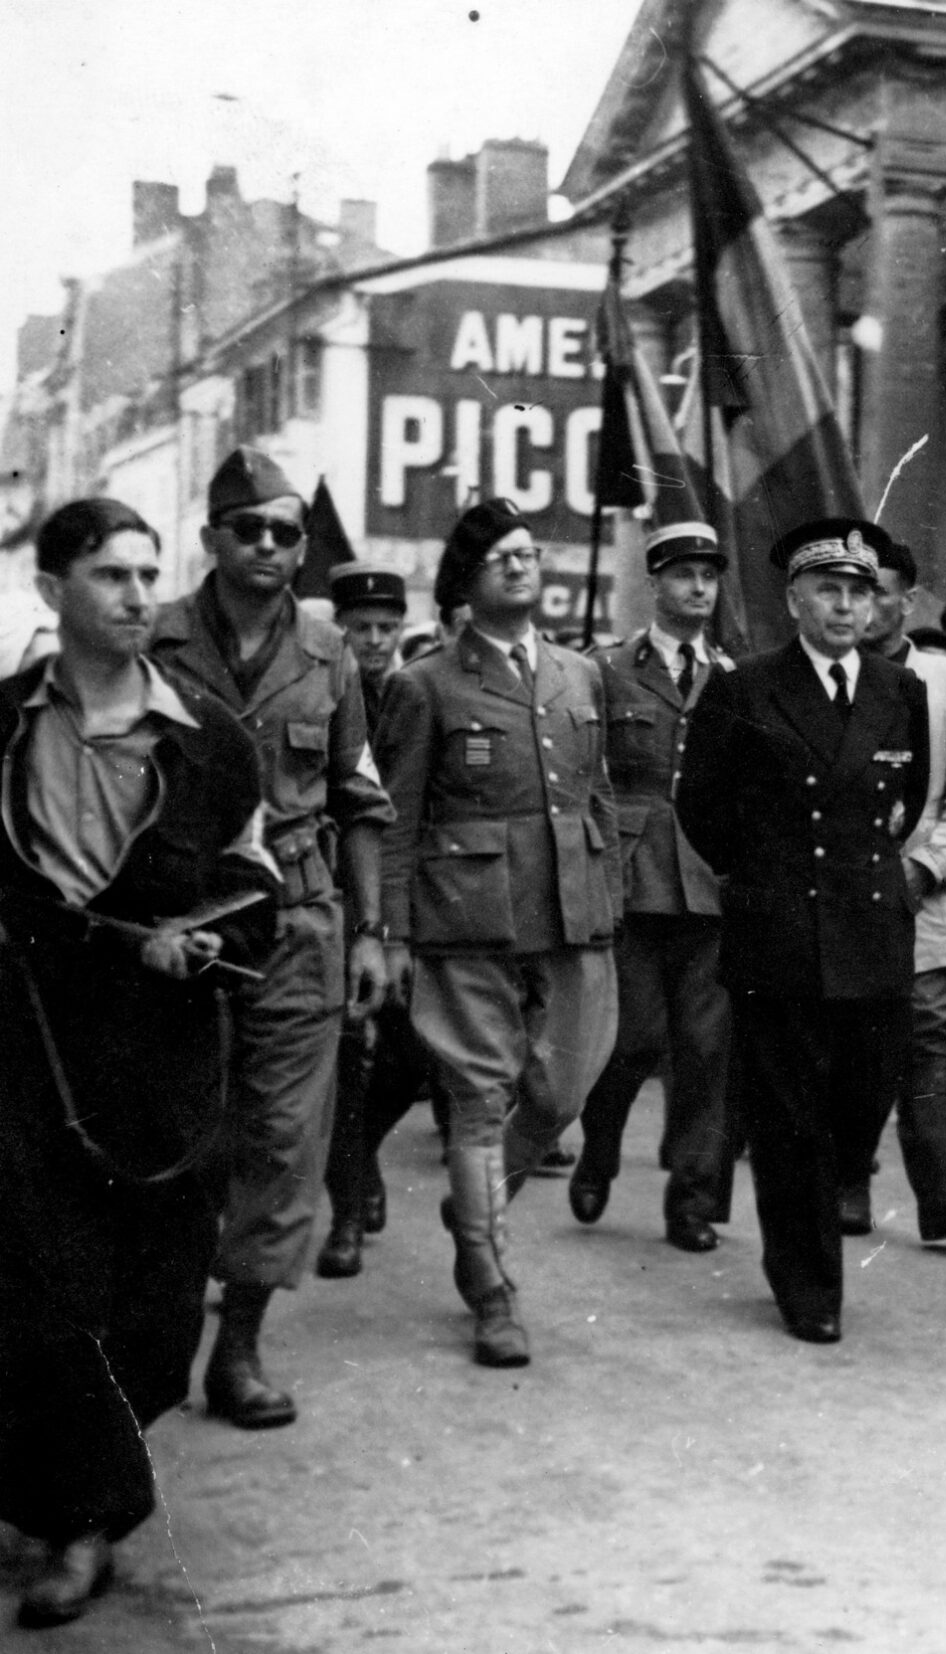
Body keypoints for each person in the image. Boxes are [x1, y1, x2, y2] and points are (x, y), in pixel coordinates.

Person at [0, 499, 281, 1629]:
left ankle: (81, 1477)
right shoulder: (6, 724)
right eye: (110, 574)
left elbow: (261, 885)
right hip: (28, 1041)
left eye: (147, 573)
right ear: (51, 586)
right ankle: (81, 1520)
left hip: (161, 1053)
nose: (134, 595)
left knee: (159, 1302)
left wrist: (208, 939)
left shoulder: (211, 738)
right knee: (38, 1280)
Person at [146, 447, 393, 1430]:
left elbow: (359, 795)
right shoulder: (153, 638)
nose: (266, 545)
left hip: (298, 917)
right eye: (246, 528)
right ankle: (157, 1340)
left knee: (285, 1140)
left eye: (284, 531)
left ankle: (239, 1347)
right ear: (210, 537)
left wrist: (372, 930)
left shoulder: (331, 653)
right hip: (183, 913)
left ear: (302, 548)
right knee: (182, 1133)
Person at [376, 498, 623, 1369]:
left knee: (562, 1094)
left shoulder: (579, 674)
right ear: (466, 584)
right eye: (500, 559)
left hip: (571, 907)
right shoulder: (425, 685)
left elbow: (595, 793)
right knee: (480, 1102)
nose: (521, 567)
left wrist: (609, 895)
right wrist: (391, 933)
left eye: (528, 553)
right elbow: (397, 821)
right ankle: (490, 1287)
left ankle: (474, 1203)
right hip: (467, 917)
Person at [674, 520, 930, 1343]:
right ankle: (807, 1280)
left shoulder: (901, 690)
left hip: (869, 926)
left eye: (860, 591)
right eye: (829, 590)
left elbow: (907, 799)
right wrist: (763, 878)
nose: (847, 605)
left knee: (864, 1095)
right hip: (780, 930)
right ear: (795, 600)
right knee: (789, 1118)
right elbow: (701, 808)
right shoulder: (745, 688)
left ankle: (820, 1217)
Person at [569, 522, 737, 1252]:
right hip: (631, 881)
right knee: (632, 1040)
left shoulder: (733, 678)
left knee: (705, 1048)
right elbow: (583, 781)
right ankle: (599, 1148)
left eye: (709, 576)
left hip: (708, 882)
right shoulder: (606, 670)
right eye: (684, 576)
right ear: (656, 583)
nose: (699, 589)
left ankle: (692, 1202)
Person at [834, 526, 946, 1248]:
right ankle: (847, 1180)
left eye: (876, 592)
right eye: (849, 591)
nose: (862, 607)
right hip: (836, 893)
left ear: (905, 601)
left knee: (927, 1037)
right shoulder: (819, 676)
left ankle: (940, 1197)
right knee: (853, 1041)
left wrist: (926, 864)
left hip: (923, 893)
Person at [316, 562, 443, 1279]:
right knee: (343, 1058)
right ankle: (344, 1217)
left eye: (386, 628)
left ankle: (359, 1153)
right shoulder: (323, 684)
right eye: (359, 627)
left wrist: (392, 925)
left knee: (412, 1052)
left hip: (392, 905)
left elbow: (401, 818)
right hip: (322, 898)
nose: (372, 640)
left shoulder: (409, 698)